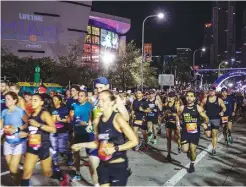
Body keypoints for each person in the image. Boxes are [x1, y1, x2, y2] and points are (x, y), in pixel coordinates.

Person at [71, 90, 138, 186]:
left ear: (111, 102)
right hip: (103, 165)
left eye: (103, 100)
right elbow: (97, 143)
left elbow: (134, 141)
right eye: (99, 100)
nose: (100, 103)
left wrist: (115, 148)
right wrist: (81, 145)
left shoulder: (117, 119)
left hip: (118, 166)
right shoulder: (97, 121)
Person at [20, 93, 56, 186]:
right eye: (31, 100)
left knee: (47, 172)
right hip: (32, 145)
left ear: (41, 102)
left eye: (35, 100)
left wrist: (39, 125)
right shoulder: (31, 114)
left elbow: (53, 129)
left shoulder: (45, 114)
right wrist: (25, 133)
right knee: (26, 171)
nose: (32, 102)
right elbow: (32, 130)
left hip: (43, 146)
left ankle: (60, 176)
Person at [70, 90, 100, 186]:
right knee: (75, 154)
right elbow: (72, 119)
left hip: (88, 134)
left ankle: (96, 177)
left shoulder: (90, 106)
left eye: (81, 95)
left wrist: (86, 124)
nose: (79, 97)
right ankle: (78, 173)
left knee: (91, 158)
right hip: (77, 133)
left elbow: (94, 120)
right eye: (79, 95)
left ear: (86, 97)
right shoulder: (74, 105)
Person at [0, 92, 28, 185]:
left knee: (13, 168)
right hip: (7, 142)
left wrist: (17, 129)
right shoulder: (3, 112)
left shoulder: (20, 111)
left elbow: (27, 123)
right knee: (12, 172)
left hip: (19, 142)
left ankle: (23, 181)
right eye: (5, 99)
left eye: (8, 99)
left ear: (15, 100)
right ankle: (21, 182)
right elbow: (1, 126)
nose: (5, 101)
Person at [178, 90, 209, 173]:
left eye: (191, 96)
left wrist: (202, 123)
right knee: (184, 149)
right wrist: (179, 124)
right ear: (185, 97)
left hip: (195, 132)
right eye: (188, 96)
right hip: (185, 131)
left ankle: (192, 165)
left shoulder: (198, 108)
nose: (189, 98)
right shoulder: (182, 108)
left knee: (193, 149)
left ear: (194, 98)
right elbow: (178, 116)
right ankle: (188, 152)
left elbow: (206, 118)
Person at [50, 95, 72, 181]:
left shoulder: (64, 109)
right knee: (54, 150)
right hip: (53, 131)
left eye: (55, 99)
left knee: (62, 150)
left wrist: (60, 119)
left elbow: (68, 120)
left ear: (60, 101)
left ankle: (69, 155)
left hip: (62, 131)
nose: (54, 101)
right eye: (53, 99)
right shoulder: (50, 109)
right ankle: (56, 168)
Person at [201, 86, 226, 155]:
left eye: (213, 91)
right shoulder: (205, 99)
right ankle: (211, 136)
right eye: (210, 91)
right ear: (209, 91)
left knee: (214, 134)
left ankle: (214, 148)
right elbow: (200, 107)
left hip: (216, 119)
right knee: (208, 134)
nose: (211, 92)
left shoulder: (219, 99)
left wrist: (222, 112)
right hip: (207, 119)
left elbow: (224, 107)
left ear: (215, 91)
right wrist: (202, 112)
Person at [164, 91, 181, 161]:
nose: (170, 98)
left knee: (177, 137)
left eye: (171, 97)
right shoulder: (166, 104)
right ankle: (168, 154)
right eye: (169, 96)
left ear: (174, 97)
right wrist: (164, 114)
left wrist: (172, 114)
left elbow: (179, 113)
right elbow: (165, 113)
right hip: (168, 122)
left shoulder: (177, 103)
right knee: (168, 139)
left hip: (175, 122)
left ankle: (179, 145)